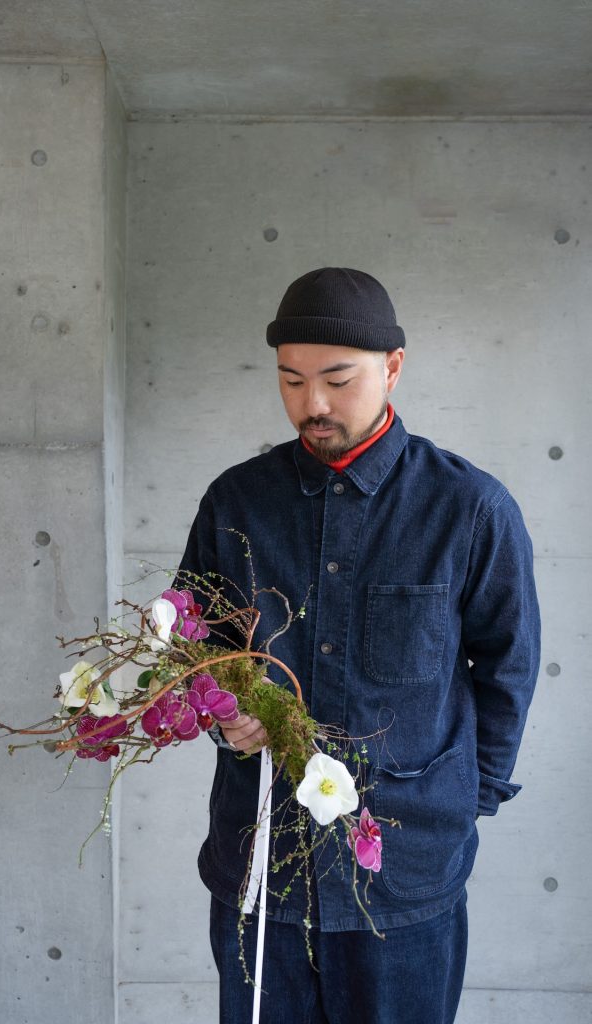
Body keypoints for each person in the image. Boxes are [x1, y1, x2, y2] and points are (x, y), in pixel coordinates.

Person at [177, 267, 541, 1024]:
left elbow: (508, 666)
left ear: (392, 368)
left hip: (402, 878)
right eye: (290, 380)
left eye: (337, 380)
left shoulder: (469, 508)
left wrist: (459, 804)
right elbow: (191, 645)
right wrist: (222, 711)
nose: (312, 403)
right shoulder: (236, 501)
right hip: (261, 866)